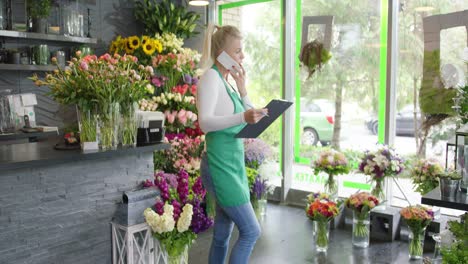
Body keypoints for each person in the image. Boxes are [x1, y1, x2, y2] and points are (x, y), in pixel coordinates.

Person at [197, 24, 268, 264]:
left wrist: (243, 89)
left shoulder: (227, 82)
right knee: (251, 231)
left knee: (222, 233)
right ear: (223, 54)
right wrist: (242, 117)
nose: (243, 56)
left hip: (231, 163)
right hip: (219, 166)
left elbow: (248, 121)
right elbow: (205, 123)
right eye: (237, 51)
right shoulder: (210, 78)